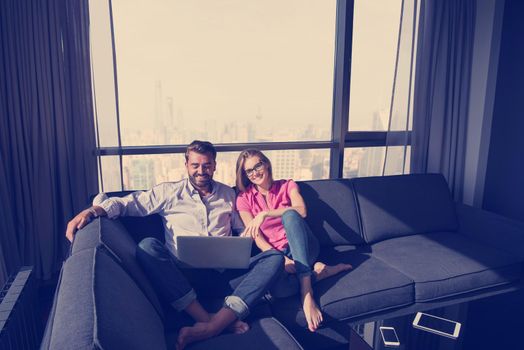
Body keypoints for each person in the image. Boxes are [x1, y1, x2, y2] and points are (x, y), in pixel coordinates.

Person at [65, 141, 285, 350]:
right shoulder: (169, 192)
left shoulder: (228, 195)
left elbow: (241, 230)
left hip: (224, 276)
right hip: (182, 279)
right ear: (186, 165)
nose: (201, 170)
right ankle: (209, 320)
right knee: (148, 246)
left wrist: (243, 241)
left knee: (274, 258)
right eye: (196, 165)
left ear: (215, 165)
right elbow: (127, 204)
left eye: (207, 165)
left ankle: (214, 325)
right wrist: (93, 210)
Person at [235, 149, 352, 332]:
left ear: (266, 163)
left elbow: (301, 210)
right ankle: (319, 273)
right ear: (245, 175)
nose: (255, 172)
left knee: (290, 214)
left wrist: (265, 214)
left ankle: (307, 292)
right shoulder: (243, 199)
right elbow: (256, 236)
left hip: (305, 246)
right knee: (278, 291)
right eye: (249, 171)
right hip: (277, 254)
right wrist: (280, 260)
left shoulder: (287, 185)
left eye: (257, 165)